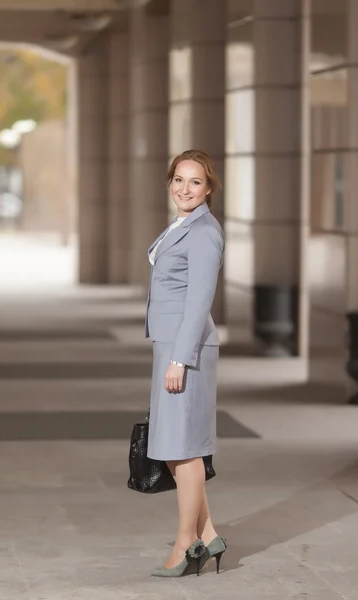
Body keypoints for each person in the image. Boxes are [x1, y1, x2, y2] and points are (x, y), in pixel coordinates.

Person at [145, 149, 227, 577]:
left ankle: (186, 543)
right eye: (179, 179)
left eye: (195, 182)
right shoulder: (184, 224)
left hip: (185, 351)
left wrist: (179, 358)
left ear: (209, 188)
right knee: (178, 446)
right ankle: (208, 534)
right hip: (171, 347)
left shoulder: (204, 232)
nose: (185, 188)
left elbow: (198, 303)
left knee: (183, 450)